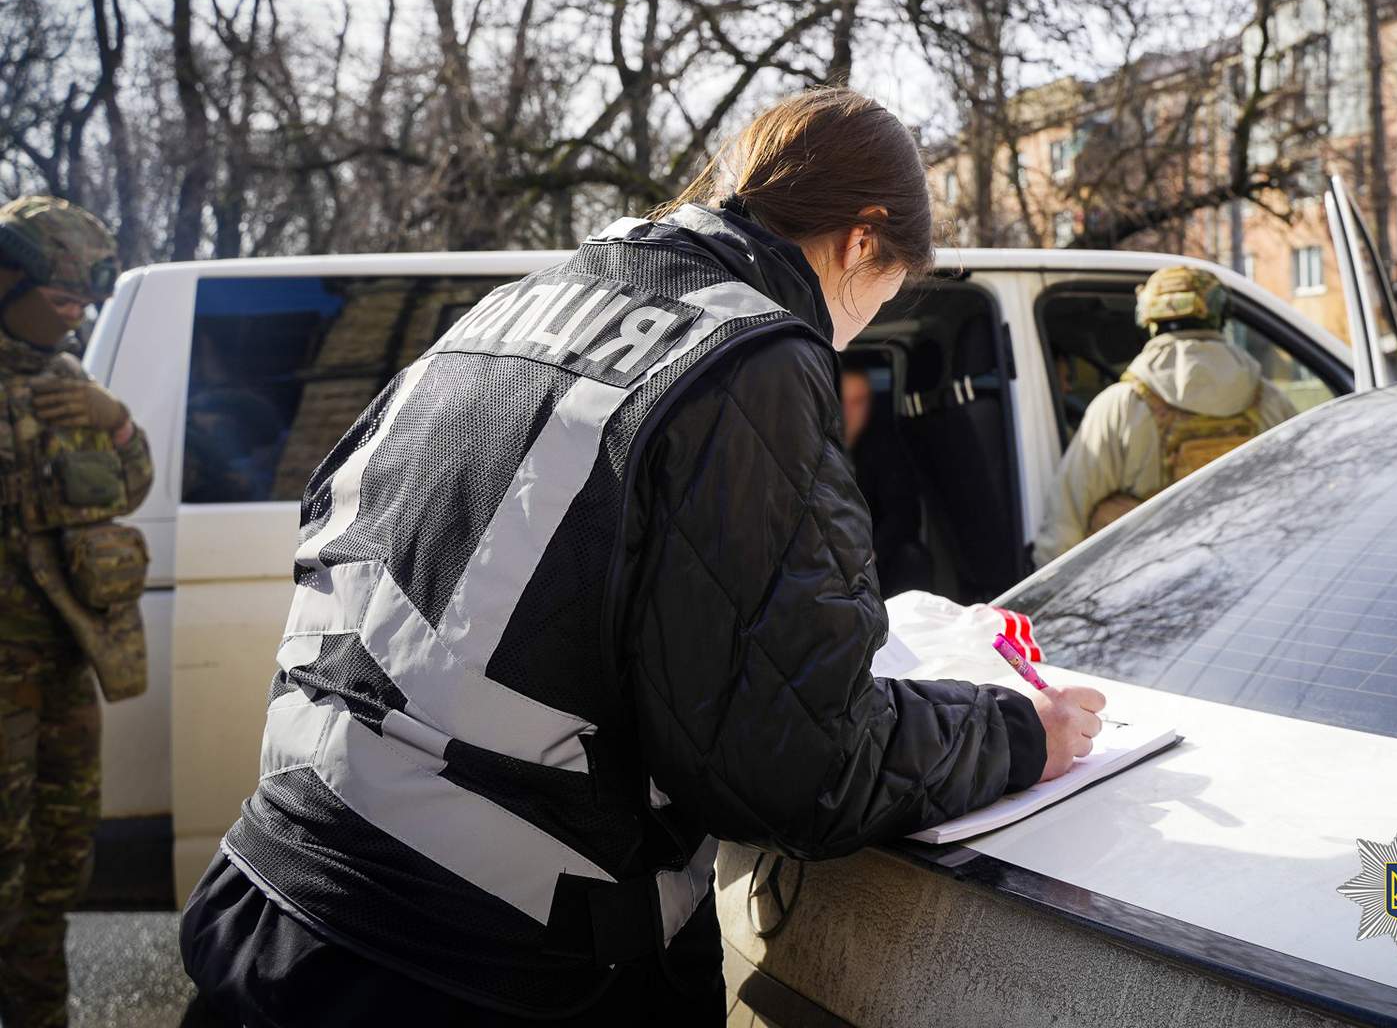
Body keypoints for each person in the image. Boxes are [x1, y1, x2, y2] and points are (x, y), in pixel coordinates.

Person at [178, 87, 1106, 1026]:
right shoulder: (753, 355)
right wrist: (1022, 733)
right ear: (864, 241)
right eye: (884, 296)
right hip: (487, 960)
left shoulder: (510, 309)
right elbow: (797, 763)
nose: (856, 332)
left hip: (280, 896)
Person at [0, 196, 152, 1028]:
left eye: (81, 302)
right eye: (62, 298)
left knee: (58, 863)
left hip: (61, 666)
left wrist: (119, 424)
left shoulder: (66, 381)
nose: (76, 314)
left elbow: (129, 487)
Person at [1034, 264, 1293, 565]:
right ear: (1220, 314)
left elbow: (1065, 524)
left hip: (1149, 599)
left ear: (1149, 319)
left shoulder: (1120, 406)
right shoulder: (1271, 402)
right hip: (1254, 585)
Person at [839, 365, 934, 595]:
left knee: (912, 557)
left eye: (859, 401)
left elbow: (904, 512)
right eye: (844, 401)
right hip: (825, 557)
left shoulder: (884, 451)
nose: (850, 410)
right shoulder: (811, 448)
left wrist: (872, 550)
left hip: (873, 554)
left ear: (870, 405)